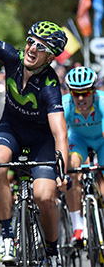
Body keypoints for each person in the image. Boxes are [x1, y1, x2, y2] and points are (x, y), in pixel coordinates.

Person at [0, 21, 70, 266]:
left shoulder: (50, 85)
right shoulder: (14, 58)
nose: (32, 48)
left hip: (41, 140)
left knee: (44, 196)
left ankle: (52, 252)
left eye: (40, 47)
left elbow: (59, 132)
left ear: (50, 56)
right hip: (10, 129)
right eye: (30, 41)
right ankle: (8, 234)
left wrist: (62, 170)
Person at [63, 66, 104, 244]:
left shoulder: (102, 101)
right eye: (76, 93)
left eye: (85, 93)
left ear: (93, 92)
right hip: (78, 140)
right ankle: (78, 227)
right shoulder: (65, 104)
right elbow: (59, 135)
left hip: (101, 141)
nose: (80, 98)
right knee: (71, 165)